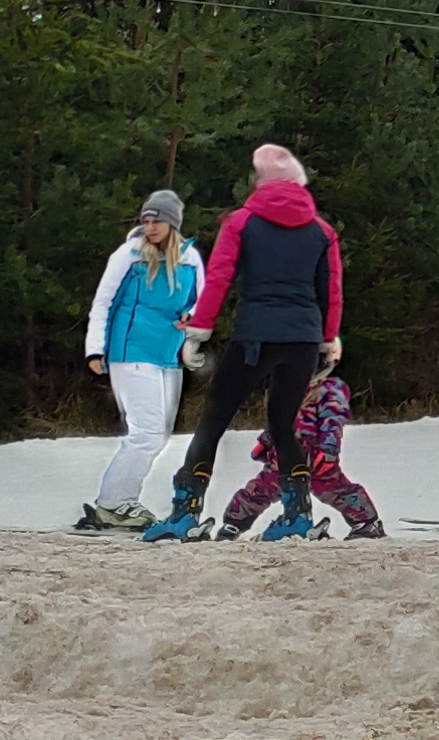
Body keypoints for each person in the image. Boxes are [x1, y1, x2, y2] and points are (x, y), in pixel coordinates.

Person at [146, 143, 343, 542]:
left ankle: (186, 512)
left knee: (214, 420)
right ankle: (298, 515)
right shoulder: (322, 231)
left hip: (256, 335)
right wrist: (328, 338)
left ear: (260, 183)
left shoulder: (242, 221)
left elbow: (220, 278)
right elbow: (332, 290)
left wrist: (201, 330)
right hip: (304, 338)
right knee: (283, 424)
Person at [76, 188, 199, 531]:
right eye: (145, 219)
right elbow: (102, 302)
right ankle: (114, 504)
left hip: (168, 355)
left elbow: (204, 300)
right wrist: (94, 349)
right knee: (146, 432)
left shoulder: (190, 259)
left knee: (158, 435)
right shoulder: (129, 254)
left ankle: (118, 501)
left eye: (157, 219)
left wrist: (192, 317)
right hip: (129, 351)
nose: (150, 225)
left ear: (172, 223)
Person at [216, 363, 385, 540]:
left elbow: (333, 422)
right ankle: (233, 524)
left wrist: (328, 448)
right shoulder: (287, 391)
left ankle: (367, 523)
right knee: (264, 486)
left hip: (315, 451)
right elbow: (280, 421)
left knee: (333, 487)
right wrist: (266, 441)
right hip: (285, 451)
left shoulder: (329, 390)